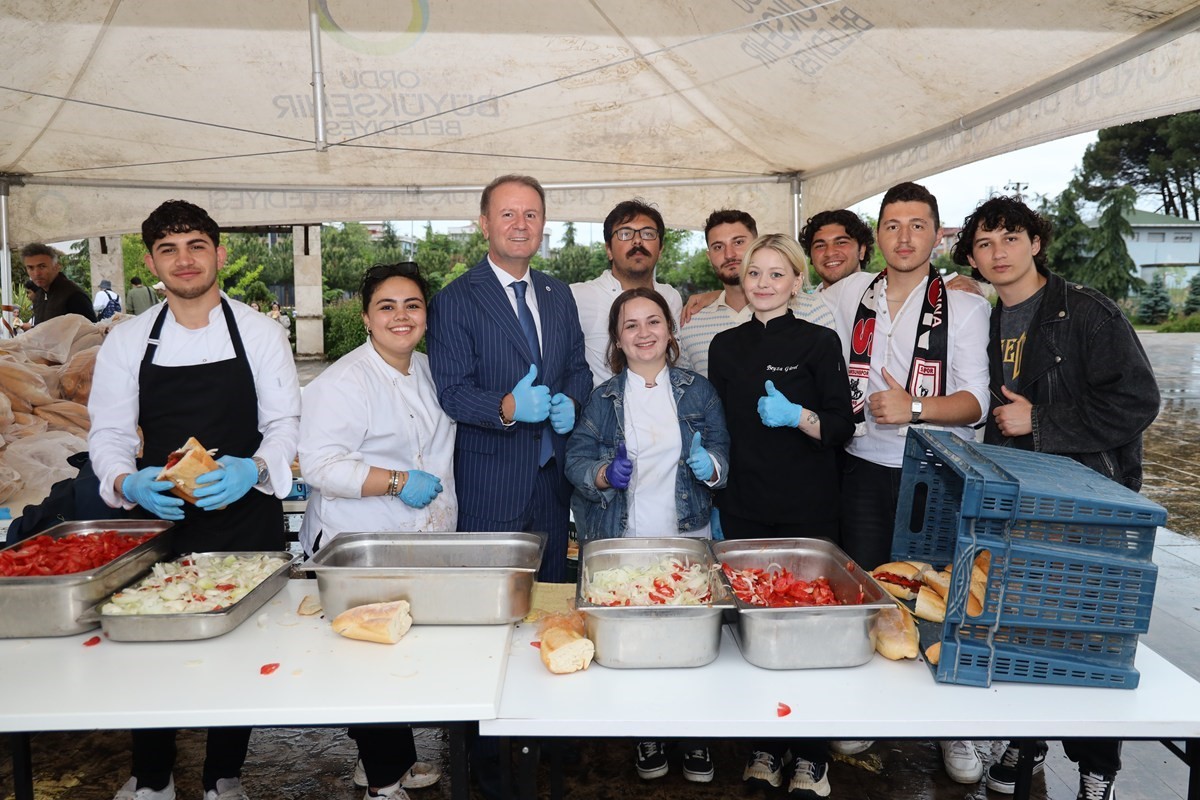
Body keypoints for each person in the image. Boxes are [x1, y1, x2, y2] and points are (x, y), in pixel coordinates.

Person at [88, 200, 301, 800]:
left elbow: (286, 423)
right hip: (165, 524)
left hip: (247, 518)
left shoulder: (260, 333)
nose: (184, 260)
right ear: (152, 261)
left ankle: (222, 776)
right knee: (149, 652)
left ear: (219, 253)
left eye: (195, 246)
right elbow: (106, 434)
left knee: (241, 653)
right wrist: (127, 481)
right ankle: (152, 776)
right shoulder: (128, 341)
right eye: (168, 249)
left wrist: (255, 467)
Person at [952, 196, 1160, 800]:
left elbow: (1138, 401)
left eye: (1011, 239)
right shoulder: (984, 319)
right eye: (985, 244)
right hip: (1020, 501)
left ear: (1036, 243)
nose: (998, 253)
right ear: (972, 256)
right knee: (1021, 628)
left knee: (1092, 633)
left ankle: (1099, 768)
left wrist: (1041, 421)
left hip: (1090, 501)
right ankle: (1025, 743)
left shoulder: (1087, 313)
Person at [821, 182, 990, 786]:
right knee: (868, 585)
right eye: (892, 225)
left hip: (937, 466)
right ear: (880, 233)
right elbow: (783, 284)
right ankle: (869, 705)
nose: (904, 237)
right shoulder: (846, 295)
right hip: (864, 463)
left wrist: (914, 406)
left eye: (917, 225)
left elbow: (976, 404)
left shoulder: (966, 305)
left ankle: (954, 724)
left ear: (936, 234)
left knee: (942, 591)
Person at [706, 234, 854, 799]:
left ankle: (812, 755)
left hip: (808, 505)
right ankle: (765, 745)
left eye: (775, 274)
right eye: (753, 273)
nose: (763, 283)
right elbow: (719, 428)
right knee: (754, 627)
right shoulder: (724, 345)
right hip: (743, 504)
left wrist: (798, 416)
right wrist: (715, 489)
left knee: (808, 626)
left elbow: (841, 427)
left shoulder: (819, 342)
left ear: (797, 282)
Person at [298, 262, 450, 800]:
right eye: (387, 306)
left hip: (413, 537)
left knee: (397, 648)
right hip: (358, 538)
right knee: (368, 657)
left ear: (427, 317)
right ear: (366, 316)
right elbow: (318, 465)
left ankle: (392, 762)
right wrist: (396, 481)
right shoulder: (342, 381)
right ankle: (383, 782)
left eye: (412, 305)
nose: (400, 316)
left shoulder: (431, 370)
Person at [565, 287, 729, 785]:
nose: (643, 333)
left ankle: (695, 734)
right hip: (627, 537)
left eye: (653, 322)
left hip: (686, 533)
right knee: (637, 640)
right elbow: (575, 459)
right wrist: (601, 475)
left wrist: (712, 466)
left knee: (689, 638)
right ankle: (648, 733)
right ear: (617, 339)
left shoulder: (698, 391)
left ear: (670, 330)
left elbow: (722, 449)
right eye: (631, 325)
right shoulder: (603, 397)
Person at [426, 174, 592, 585]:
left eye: (531, 214)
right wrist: (507, 406)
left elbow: (577, 367)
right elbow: (451, 391)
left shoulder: (558, 293)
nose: (521, 223)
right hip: (490, 484)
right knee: (489, 598)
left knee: (550, 598)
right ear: (484, 224)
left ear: (542, 224)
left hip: (552, 482)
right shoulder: (454, 300)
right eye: (508, 213)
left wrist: (571, 401)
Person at [677, 210, 834, 378]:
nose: (729, 254)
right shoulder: (691, 321)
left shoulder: (812, 310)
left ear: (756, 245)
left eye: (738, 242)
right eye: (718, 247)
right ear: (709, 256)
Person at [570, 199, 683, 386]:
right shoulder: (578, 297)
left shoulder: (671, 297)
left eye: (648, 234)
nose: (637, 241)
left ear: (661, 249)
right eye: (625, 234)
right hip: (601, 413)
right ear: (608, 250)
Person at [22, 242, 97, 324]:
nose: (36, 273)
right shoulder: (40, 294)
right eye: (30, 268)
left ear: (56, 267)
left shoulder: (74, 296)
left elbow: (91, 332)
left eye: (42, 266)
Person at [799, 209, 875, 289]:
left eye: (841, 243)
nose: (830, 253)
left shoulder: (883, 296)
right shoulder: (805, 300)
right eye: (820, 246)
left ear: (862, 251)